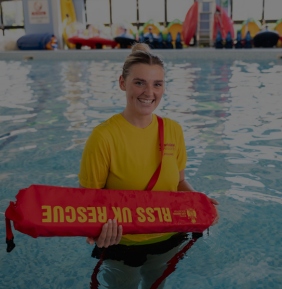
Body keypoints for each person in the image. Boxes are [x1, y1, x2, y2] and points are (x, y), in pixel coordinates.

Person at [78, 43, 219, 289]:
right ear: (122, 83)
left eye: (157, 84)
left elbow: (178, 182)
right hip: (121, 244)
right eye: (139, 82)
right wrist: (98, 231)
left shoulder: (173, 130)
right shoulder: (104, 137)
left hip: (170, 236)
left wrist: (199, 203)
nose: (149, 92)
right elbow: (88, 200)